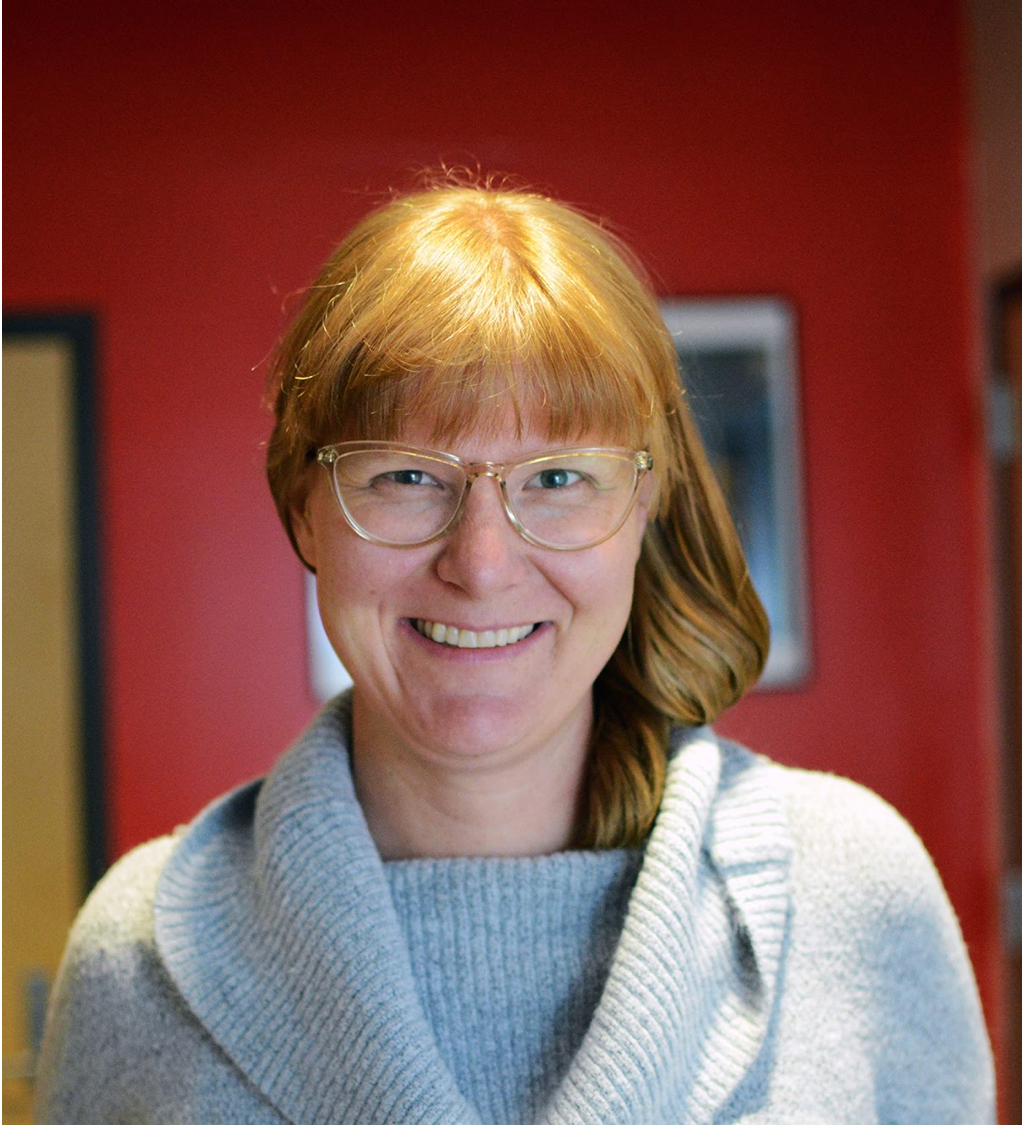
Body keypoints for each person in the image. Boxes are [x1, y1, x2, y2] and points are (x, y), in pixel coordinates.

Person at [37, 181, 994, 1123]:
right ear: (304, 509)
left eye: (558, 477)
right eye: (408, 475)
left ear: (643, 507)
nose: (483, 564)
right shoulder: (141, 955)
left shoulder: (853, 892)